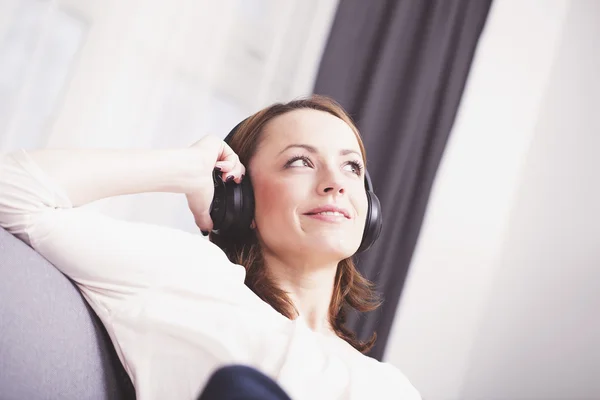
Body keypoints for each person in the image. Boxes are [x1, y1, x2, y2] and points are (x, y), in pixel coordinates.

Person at [0, 95, 421, 399]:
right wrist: (183, 169)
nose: (336, 182)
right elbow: (12, 189)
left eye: (352, 166)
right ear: (243, 200)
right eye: (300, 162)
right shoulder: (191, 276)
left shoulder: (391, 387)